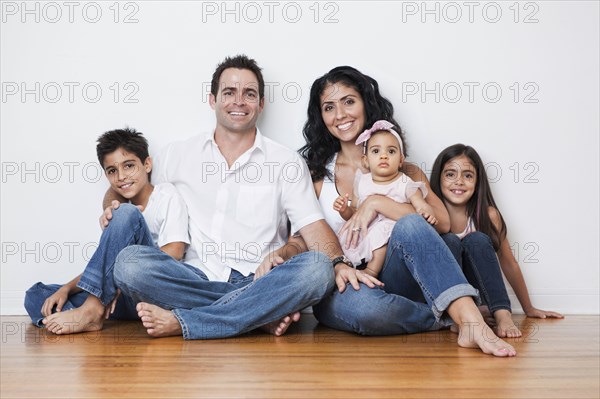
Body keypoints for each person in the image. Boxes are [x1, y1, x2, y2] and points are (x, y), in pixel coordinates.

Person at [100, 55, 348, 340]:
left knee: (317, 270)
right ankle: (256, 314)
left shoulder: (286, 162)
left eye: (249, 94)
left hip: (258, 278)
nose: (239, 101)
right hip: (190, 277)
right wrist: (110, 205)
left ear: (261, 104)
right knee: (129, 264)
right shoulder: (176, 155)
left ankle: (187, 321)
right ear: (212, 99)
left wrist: (338, 263)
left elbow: (312, 226)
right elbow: (129, 184)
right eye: (229, 92)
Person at [298, 65, 517, 357]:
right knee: (366, 310)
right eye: (329, 107)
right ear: (321, 117)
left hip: (401, 277)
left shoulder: (404, 170)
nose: (340, 114)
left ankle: (471, 322)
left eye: (348, 101)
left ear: (365, 103)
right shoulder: (315, 176)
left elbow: (442, 224)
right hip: (349, 282)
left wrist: (376, 203)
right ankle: (448, 313)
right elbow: (303, 240)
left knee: (412, 224)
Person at [24, 128, 190, 334]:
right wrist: (67, 288)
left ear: (147, 164)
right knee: (37, 295)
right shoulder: (117, 208)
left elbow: (175, 251)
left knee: (125, 213)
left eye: (129, 166)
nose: (121, 176)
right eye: (112, 171)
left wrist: (123, 275)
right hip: (127, 299)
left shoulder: (166, 195)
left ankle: (92, 312)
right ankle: (90, 310)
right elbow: (104, 265)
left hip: (157, 288)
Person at [430, 143, 564, 337]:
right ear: (438, 178)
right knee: (449, 241)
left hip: (479, 293)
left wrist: (529, 308)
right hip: (447, 298)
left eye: (467, 175)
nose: (459, 181)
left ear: (477, 182)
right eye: (450, 174)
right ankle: (459, 316)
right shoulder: (431, 214)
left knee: (477, 240)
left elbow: (508, 262)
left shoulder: (488, 215)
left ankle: (501, 315)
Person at [333, 119, 436, 277]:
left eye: (391, 151)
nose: (383, 156)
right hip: (363, 232)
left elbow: (420, 205)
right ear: (365, 160)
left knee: (383, 232)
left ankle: (371, 271)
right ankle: (351, 266)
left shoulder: (404, 182)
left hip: (391, 236)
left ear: (401, 160)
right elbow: (354, 215)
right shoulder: (362, 181)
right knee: (345, 234)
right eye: (376, 151)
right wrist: (344, 210)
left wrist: (425, 211)